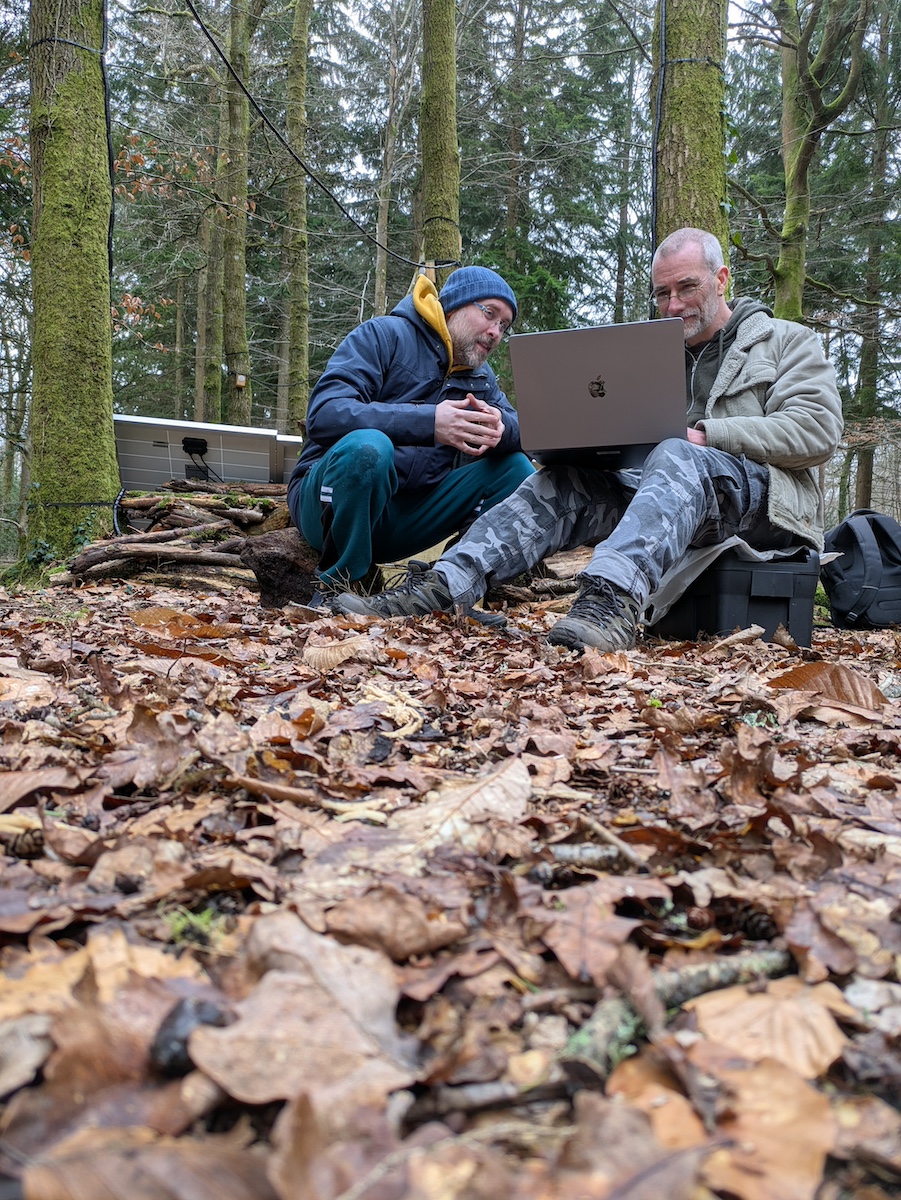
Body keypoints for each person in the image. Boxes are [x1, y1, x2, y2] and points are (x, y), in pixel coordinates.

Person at [333, 227, 844, 652]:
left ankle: (610, 603)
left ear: (721, 279)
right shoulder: (644, 352)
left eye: (686, 288)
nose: (673, 304)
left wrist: (707, 434)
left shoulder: (785, 342)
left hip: (767, 507)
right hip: (666, 497)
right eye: (662, 293)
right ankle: (445, 585)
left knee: (676, 451)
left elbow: (817, 432)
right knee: (566, 479)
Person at [287, 265, 535, 605]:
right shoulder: (384, 335)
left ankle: (446, 586)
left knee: (517, 470)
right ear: (455, 305)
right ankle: (336, 588)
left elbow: (527, 432)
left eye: (503, 326)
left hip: (408, 518)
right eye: (489, 314)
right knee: (369, 448)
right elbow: (325, 413)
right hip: (327, 507)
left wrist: (501, 428)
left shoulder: (481, 378)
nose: (495, 332)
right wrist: (430, 423)